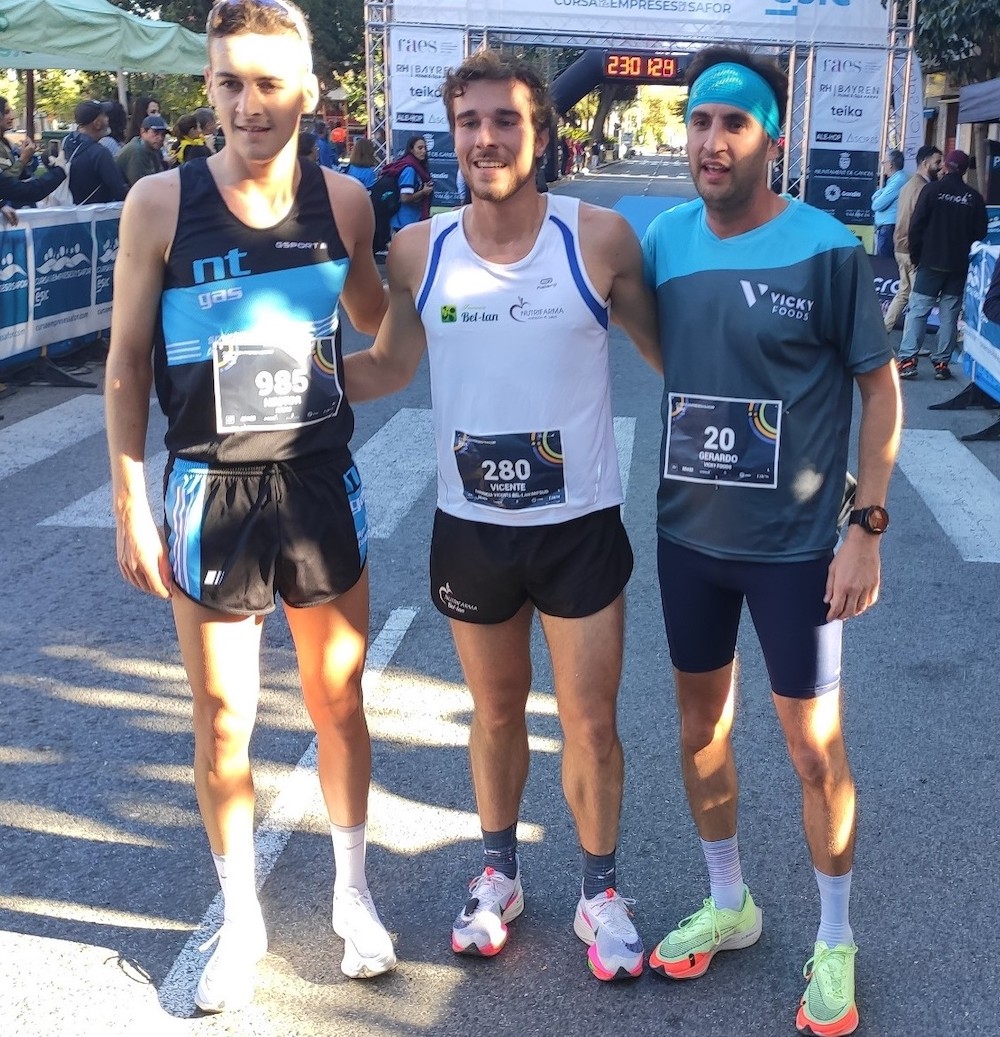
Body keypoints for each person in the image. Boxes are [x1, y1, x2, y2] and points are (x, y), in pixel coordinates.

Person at [343, 48, 661, 982]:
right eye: (469, 122)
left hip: (578, 526)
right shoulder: (419, 249)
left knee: (590, 721)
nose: (485, 138)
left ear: (541, 133)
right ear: (452, 136)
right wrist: (269, 386)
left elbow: (674, 356)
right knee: (494, 712)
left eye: (505, 120)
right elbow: (389, 366)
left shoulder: (599, 240)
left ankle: (600, 891)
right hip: (472, 528)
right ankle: (499, 876)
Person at [104, 0, 395, 1014]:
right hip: (210, 488)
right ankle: (241, 918)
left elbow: (381, 321)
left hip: (316, 484)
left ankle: (353, 897)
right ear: (209, 88)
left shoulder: (344, 202)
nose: (248, 104)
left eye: (269, 83)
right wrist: (130, 500)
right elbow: (126, 363)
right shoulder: (159, 202)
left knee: (337, 700)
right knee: (223, 714)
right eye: (230, 82)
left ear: (309, 90)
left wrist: (447, 303)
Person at [641, 46, 901, 1037]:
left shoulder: (826, 247)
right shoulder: (664, 239)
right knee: (699, 731)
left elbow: (880, 391)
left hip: (797, 548)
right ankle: (730, 903)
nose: (712, 142)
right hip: (689, 536)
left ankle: (834, 936)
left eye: (734, 124)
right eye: (700, 122)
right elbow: (665, 345)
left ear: (772, 140)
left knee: (812, 746)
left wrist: (865, 528)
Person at [896, 149, 988, 381]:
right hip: (957, 265)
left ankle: (908, 360)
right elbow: (981, 233)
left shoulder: (931, 190)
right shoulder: (974, 198)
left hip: (930, 262)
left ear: (946, 166)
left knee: (918, 311)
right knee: (949, 315)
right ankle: (941, 363)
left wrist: (916, 256)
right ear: (964, 171)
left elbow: (916, 226)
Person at [883, 144, 942, 333]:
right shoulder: (923, 188)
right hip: (912, 249)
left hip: (900, 246)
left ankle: (884, 332)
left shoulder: (908, 185)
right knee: (918, 299)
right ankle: (910, 343)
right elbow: (920, 222)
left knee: (904, 292)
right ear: (925, 163)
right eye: (937, 162)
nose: (941, 167)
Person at [63, 100, 128, 204]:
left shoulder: (66, 142)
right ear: (97, 124)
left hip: (70, 209)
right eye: (104, 116)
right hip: (98, 212)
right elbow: (120, 191)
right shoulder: (100, 153)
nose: (107, 119)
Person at [389, 134, 433, 233]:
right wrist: (423, 192)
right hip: (405, 222)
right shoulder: (409, 169)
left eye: (425, 148)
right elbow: (405, 198)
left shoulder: (418, 167)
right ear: (411, 150)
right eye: (420, 148)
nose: (423, 151)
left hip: (412, 220)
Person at [870, 149, 906, 258]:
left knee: (885, 263)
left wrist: (877, 196)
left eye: (884, 162)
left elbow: (877, 205)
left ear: (890, 164)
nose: (883, 165)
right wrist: (878, 195)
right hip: (887, 227)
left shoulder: (898, 180)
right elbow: (877, 195)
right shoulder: (895, 180)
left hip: (889, 228)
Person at [115, 113, 168, 186]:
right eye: (156, 133)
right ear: (143, 132)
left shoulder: (154, 149)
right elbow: (139, 185)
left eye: (163, 134)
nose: (160, 138)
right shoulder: (136, 150)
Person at [0, 96, 35, 182]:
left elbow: (27, 172)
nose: (12, 117)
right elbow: (6, 181)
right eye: (6, 112)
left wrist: (27, 155)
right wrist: (23, 159)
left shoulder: (7, 142)